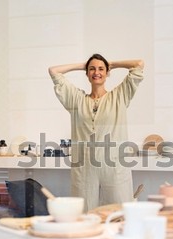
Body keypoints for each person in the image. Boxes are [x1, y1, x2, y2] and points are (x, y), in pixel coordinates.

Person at [48, 54, 144, 211]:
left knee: (118, 213)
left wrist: (111, 63)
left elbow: (139, 64)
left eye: (101, 69)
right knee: (86, 213)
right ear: (87, 74)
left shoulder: (119, 96)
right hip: (85, 168)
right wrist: (83, 65)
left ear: (107, 73)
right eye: (91, 69)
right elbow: (54, 71)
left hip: (114, 166)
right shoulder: (76, 99)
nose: (96, 72)